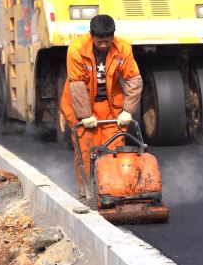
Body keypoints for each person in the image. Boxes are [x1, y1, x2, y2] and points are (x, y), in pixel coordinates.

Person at [59, 14, 143, 202]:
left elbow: (134, 79)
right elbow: (77, 84)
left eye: (107, 40)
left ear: (113, 36)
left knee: (114, 147)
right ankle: (87, 191)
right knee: (86, 147)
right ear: (91, 35)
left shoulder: (123, 48)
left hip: (110, 105)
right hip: (80, 104)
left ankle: (114, 190)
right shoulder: (77, 49)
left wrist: (127, 110)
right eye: (99, 41)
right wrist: (85, 115)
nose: (104, 45)